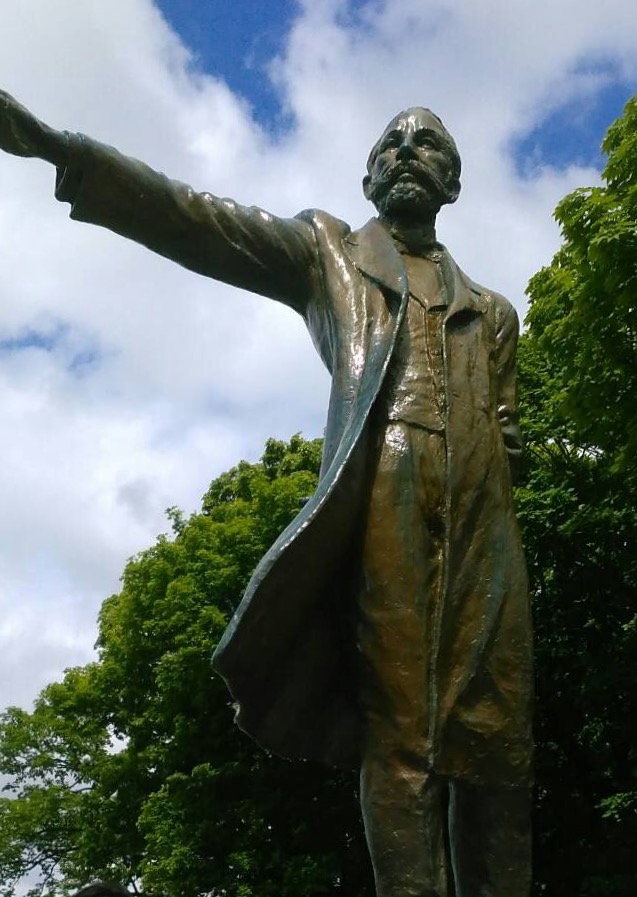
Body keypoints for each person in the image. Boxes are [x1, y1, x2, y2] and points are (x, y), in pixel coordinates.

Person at [0, 91, 533, 897]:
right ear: (366, 180)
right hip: (383, 501)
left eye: (426, 144)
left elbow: (505, 429)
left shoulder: (492, 314)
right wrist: (62, 149)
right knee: (402, 738)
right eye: (388, 145)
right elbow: (197, 219)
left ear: (452, 183)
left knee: (497, 744)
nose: (404, 152)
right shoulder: (330, 255)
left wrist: (493, 463)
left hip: (484, 527)